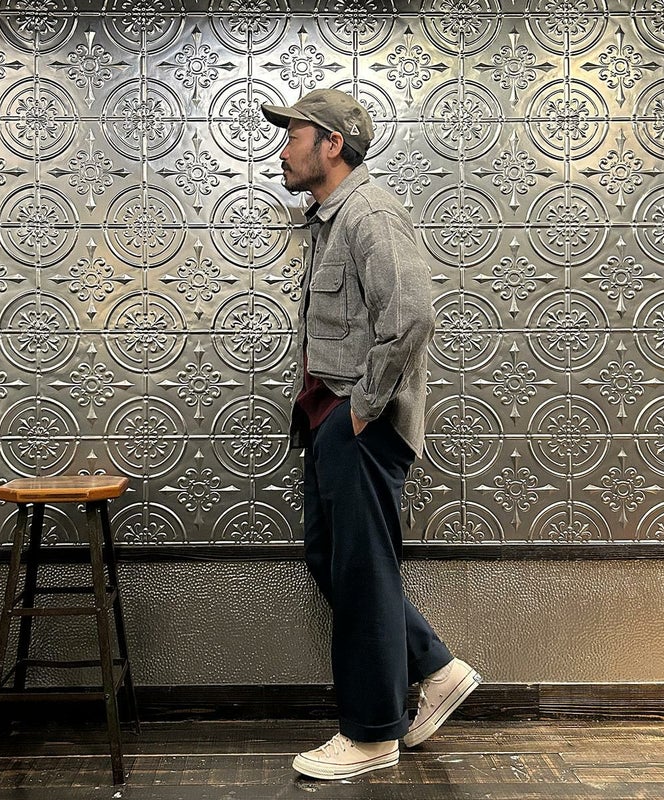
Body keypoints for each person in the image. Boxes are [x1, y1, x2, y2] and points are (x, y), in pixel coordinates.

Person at [260, 88, 482, 781]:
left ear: (332, 144)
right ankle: (435, 668)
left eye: (294, 135)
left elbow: (411, 315)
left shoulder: (371, 213)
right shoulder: (331, 220)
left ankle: (371, 735)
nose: (282, 149)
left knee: (358, 573)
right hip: (330, 422)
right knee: (336, 562)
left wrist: (362, 408)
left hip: (359, 424)